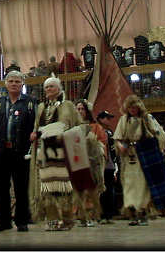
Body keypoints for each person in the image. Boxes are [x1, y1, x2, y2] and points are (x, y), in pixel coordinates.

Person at [29, 74, 82, 231]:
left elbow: (81, 127)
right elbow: (37, 127)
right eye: (46, 87)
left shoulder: (69, 106)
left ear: (59, 89)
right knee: (47, 188)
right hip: (45, 153)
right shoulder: (41, 107)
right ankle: (52, 219)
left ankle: (67, 220)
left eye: (51, 86)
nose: (48, 89)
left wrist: (67, 135)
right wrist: (34, 135)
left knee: (63, 188)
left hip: (63, 153)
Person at [0, 71, 37, 232]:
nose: (14, 84)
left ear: (22, 84)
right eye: (11, 81)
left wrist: (34, 135)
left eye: (17, 81)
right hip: (1, 151)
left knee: (21, 187)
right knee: (0, 187)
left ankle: (22, 220)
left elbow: (37, 125)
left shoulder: (30, 102)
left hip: (21, 152)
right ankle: (4, 220)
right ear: (5, 83)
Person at [113, 95, 165, 226]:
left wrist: (155, 148)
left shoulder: (146, 119)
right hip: (129, 157)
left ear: (138, 107)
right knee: (129, 184)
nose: (132, 110)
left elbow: (160, 135)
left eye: (134, 107)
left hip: (144, 156)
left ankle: (142, 212)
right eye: (130, 108)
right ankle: (132, 212)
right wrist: (120, 146)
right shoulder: (124, 120)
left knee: (142, 185)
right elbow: (117, 138)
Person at [75, 99, 107, 227]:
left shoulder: (96, 127)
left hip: (93, 162)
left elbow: (102, 143)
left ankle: (91, 216)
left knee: (92, 190)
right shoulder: (73, 126)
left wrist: (92, 142)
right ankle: (81, 217)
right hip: (77, 162)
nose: (80, 111)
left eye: (82, 109)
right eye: (77, 109)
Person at [96, 110, 119, 224]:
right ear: (100, 119)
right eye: (107, 118)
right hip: (100, 165)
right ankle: (100, 214)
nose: (109, 120)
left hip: (109, 165)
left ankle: (109, 214)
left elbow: (113, 150)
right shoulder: (96, 130)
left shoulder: (110, 132)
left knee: (110, 190)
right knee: (101, 191)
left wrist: (115, 166)